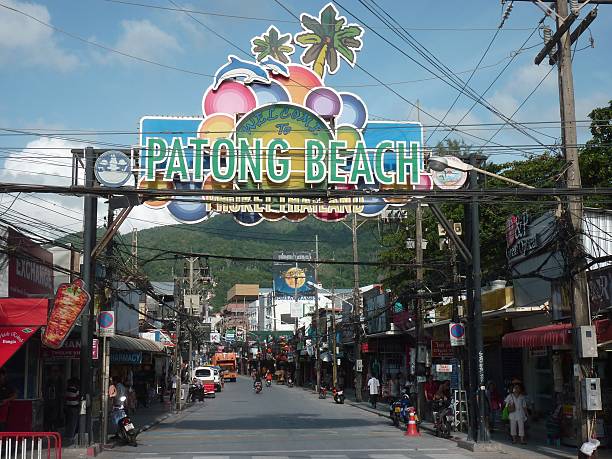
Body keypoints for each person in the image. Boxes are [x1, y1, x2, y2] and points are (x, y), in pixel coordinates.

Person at [43, 366, 64, 431]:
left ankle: (53, 429)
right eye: (54, 372)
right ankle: (49, 429)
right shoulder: (48, 381)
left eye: (56, 372)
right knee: (49, 417)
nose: (55, 374)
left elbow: (61, 392)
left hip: (56, 402)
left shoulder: (59, 381)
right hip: (48, 402)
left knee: (55, 417)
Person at [64, 377, 80, 442]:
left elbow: (65, 397)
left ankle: (67, 435)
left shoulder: (67, 389)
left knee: (69, 422)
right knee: (74, 422)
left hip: (68, 407)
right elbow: (78, 398)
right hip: (75, 407)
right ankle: (71, 436)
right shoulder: (76, 390)